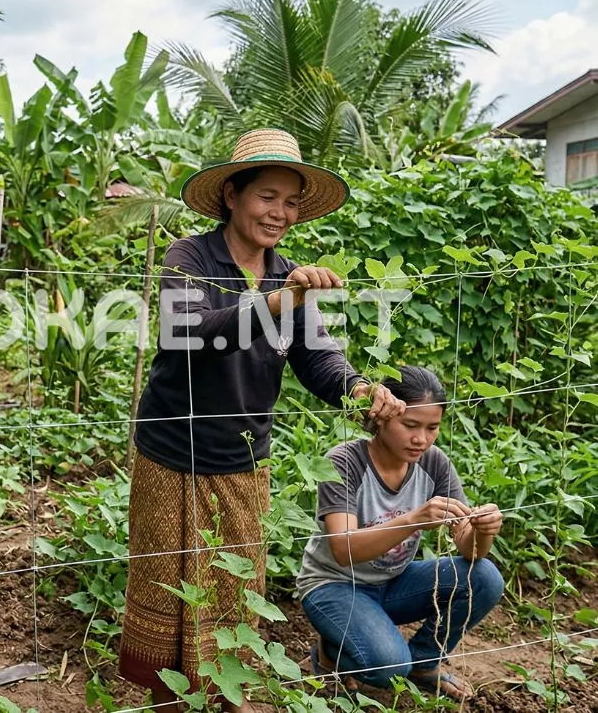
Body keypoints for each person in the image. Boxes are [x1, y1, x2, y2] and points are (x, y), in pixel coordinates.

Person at [118, 128, 406, 712]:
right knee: (164, 579)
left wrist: (360, 389)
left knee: (232, 582)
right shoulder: (191, 258)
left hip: (243, 455)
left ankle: (225, 693)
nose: (280, 213)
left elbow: (319, 361)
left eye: (292, 202)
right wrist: (279, 301)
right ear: (231, 194)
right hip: (172, 448)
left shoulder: (289, 273)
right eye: (267, 196)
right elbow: (184, 335)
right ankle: (164, 697)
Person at [296, 365, 504, 701]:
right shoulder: (345, 461)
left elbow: (470, 551)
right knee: (389, 668)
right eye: (410, 425)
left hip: (393, 584)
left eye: (432, 427)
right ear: (381, 417)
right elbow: (343, 551)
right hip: (334, 586)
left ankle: (425, 662)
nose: (421, 438)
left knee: (485, 578)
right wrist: (415, 519)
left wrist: (484, 530)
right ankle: (330, 652)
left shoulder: (434, 462)